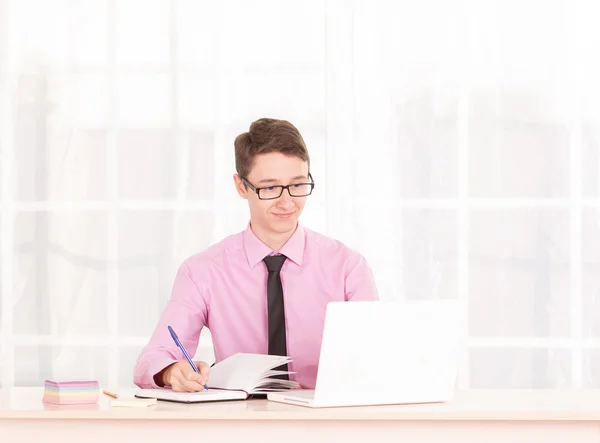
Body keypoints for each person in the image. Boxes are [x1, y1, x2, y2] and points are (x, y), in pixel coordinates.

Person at [133, 118, 379, 392]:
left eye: (298, 184)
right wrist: (170, 371)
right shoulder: (202, 271)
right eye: (270, 188)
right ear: (241, 187)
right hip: (239, 421)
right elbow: (152, 358)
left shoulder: (348, 267)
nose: (287, 202)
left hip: (326, 421)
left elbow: (377, 358)